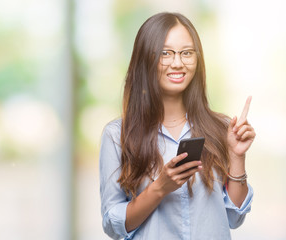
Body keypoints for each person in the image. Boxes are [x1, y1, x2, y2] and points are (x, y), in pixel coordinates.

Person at [99, 12, 255, 240]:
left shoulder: (220, 127)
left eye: (187, 53)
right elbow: (113, 225)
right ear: (146, 58)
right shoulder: (117, 135)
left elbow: (234, 218)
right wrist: (160, 187)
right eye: (166, 53)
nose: (178, 63)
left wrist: (237, 156)